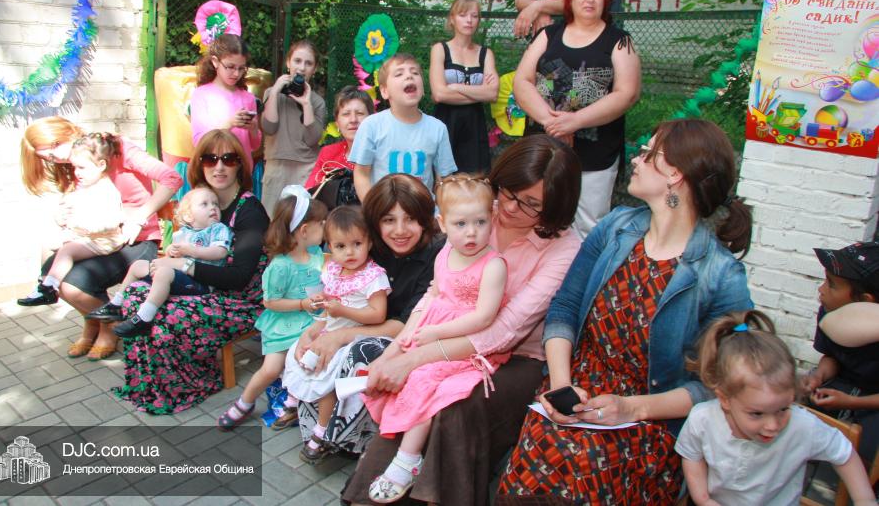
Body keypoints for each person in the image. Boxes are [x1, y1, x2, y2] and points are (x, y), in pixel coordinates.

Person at [497, 119, 754, 505]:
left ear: (676, 174)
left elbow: (719, 385)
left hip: (650, 416)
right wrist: (561, 386)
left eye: (649, 153)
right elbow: (565, 307)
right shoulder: (616, 227)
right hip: (578, 389)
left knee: (582, 459)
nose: (636, 158)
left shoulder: (720, 274)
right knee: (544, 441)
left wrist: (631, 408)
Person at [343, 134, 582, 506]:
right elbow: (436, 292)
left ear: (556, 206)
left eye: (531, 204)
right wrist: (398, 350)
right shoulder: (476, 211)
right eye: (508, 192)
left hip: (517, 357)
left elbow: (505, 330)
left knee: (453, 405)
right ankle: (369, 493)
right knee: (410, 386)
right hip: (447, 337)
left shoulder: (564, 248)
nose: (510, 208)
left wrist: (414, 358)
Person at [363, 174, 507, 503]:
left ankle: (408, 459)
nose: (471, 232)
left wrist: (435, 333)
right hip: (433, 329)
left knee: (424, 380)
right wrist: (412, 332)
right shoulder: (445, 254)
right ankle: (384, 444)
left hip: (466, 343)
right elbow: (434, 295)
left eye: (480, 222)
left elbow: (484, 317)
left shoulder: (493, 265)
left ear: (493, 218)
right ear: (442, 223)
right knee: (393, 369)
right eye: (460, 224)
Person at [113, 129, 270, 414]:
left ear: (240, 165)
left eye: (228, 159)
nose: (219, 167)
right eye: (210, 159)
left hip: (238, 301)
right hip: (200, 288)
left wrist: (183, 265)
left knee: (165, 316)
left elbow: (239, 279)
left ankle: (188, 384)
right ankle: (150, 386)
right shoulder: (198, 202)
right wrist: (172, 262)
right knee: (136, 294)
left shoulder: (249, 211)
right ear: (200, 165)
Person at [296, 173, 444, 454]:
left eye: (410, 219)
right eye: (389, 220)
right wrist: (316, 331)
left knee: (360, 351)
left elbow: (405, 323)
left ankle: (350, 439)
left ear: (425, 219)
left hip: (411, 336)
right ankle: (315, 427)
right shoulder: (365, 243)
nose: (400, 230)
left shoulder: (437, 253)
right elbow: (339, 297)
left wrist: (339, 336)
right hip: (359, 322)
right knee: (308, 348)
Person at [20, 117, 182, 360]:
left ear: (68, 132)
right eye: (49, 158)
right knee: (52, 275)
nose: (58, 159)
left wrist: (139, 216)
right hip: (97, 239)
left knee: (73, 286)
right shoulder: (75, 163)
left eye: (55, 149)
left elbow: (172, 178)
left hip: (135, 239)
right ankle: (94, 322)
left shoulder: (118, 148)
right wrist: (61, 215)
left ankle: (108, 327)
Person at [676, 311, 876, 506]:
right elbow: (692, 455)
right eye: (757, 413)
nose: (772, 425)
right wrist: (703, 499)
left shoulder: (803, 426)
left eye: (783, 409)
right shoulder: (703, 419)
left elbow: (844, 453)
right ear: (725, 399)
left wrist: (865, 499)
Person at [514, 0, 641, 240]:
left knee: (587, 226)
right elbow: (522, 81)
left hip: (595, 154)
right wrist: (552, 123)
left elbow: (627, 93)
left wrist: (575, 122)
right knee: (535, 215)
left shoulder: (619, 40)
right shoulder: (548, 35)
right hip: (543, 145)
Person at [284, 206, 390, 464]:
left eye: (357, 244)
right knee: (297, 352)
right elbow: (328, 307)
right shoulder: (333, 270)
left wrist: (343, 310)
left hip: (352, 336)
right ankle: (294, 400)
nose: (350, 252)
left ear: (369, 242)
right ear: (330, 246)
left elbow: (378, 314)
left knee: (327, 376)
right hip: (330, 328)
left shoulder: (373, 277)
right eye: (341, 246)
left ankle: (322, 431)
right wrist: (316, 320)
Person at [217, 185, 327, 430]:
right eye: (322, 223)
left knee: (312, 359)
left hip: (312, 322)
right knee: (271, 368)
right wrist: (302, 303)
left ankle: (294, 403)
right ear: (305, 230)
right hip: (283, 324)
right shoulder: (281, 266)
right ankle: (244, 403)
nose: (326, 227)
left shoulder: (317, 254)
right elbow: (270, 302)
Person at [86, 187, 233, 338]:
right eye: (205, 204)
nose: (213, 207)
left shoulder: (218, 229)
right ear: (188, 216)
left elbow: (220, 252)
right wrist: (170, 251)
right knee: (138, 265)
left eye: (215, 204)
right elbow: (173, 256)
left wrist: (191, 250)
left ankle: (144, 318)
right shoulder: (184, 232)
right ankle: (116, 304)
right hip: (180, 276)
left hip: (200, 282)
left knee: (164, 272)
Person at [19, 133, 125, 307]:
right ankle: (43, 283)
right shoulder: (87, 186)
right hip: (86, 237)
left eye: (82, 168)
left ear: (101, 165)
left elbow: (113, 221)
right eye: (75, 167)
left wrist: (84, 227)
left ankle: (49, 288)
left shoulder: (106, 190)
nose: (77, 172)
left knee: (67, 251)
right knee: (50, 243)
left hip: (103, 240)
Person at [802, 241, 879, 465]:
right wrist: (819, 376)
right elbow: (831, 356)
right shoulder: (830, 311)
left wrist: (852, 402)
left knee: (867, 452)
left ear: (864, 301)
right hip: (843, 386)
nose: (821, 289)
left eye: (832, 285)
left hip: (873, 400)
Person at [350, 53, 457, 201]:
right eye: (399, 74)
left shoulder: (438, 128)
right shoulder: (371, 126)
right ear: (384, 91)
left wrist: (441, 211)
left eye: (415, 73)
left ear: (423, 88)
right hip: (384, 210)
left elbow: (445, 179)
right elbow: (361, 175)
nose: (409, 76)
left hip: (423, 211)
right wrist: (372, 210)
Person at [429, 0, 499, 175]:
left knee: (475, 180)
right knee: (442, 179)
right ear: (452, 19)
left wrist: (456, 87)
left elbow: (492, 94)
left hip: (474, 127)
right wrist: (479, 92)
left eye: (474, 16)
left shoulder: (486, 53)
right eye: (463, 15)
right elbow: (439, 94)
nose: (469, 20)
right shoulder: (440, 49)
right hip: (445, 124)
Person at [261, 39, 327, 217]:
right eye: (297, 61)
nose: (302, 68)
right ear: (288, 62)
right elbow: (269, 127)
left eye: (308, 63)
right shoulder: (272, 93)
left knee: (302, 221)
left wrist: (306, 104)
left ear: (314, 69)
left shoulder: (317, 102)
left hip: (305, 168)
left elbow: (312, 139)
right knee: (272, 219)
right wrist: (275, 92)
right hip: (276, 166)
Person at [190, 33, 262, 171]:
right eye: (230, 66)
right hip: (214, 170)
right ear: (215, 61)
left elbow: (255, 145)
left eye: (241, 68)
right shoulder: (201, 94)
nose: (236, 73)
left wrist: (253, 129)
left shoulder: (248, 98)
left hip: (242, 171)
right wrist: (229, 123)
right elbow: (198, 141)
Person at [305, 85, 373, 206]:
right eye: (346, 114)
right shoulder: (328, 154)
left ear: (372, 119)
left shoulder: (383, 153)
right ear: (337, 122)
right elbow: (309, 195)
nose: (353, 120)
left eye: (360, 113)